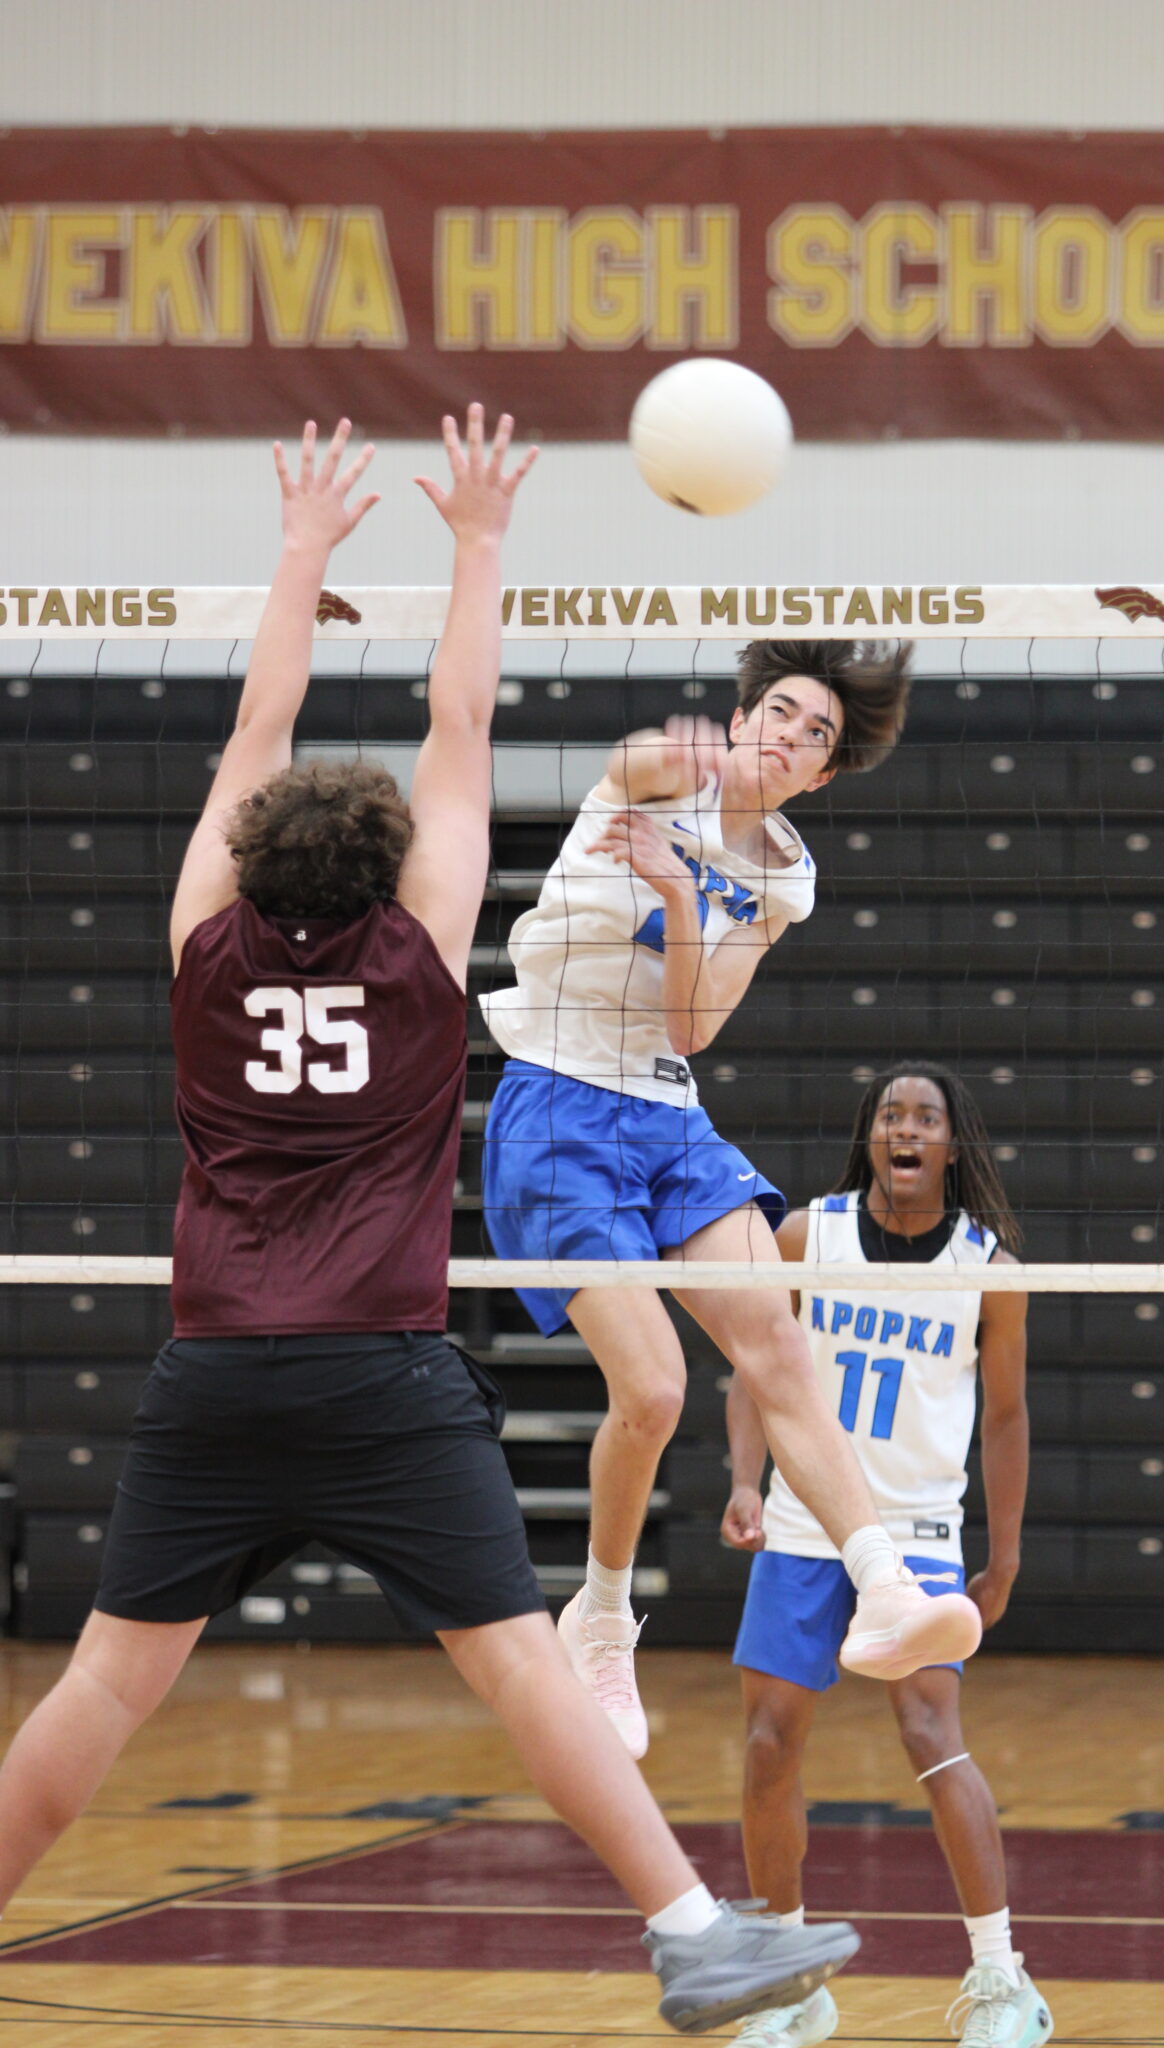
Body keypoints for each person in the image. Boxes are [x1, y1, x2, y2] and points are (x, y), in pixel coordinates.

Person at [0, 413, 861, 2034]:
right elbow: (461, 718)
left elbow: (260, 719)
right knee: (525, 1660)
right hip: (380, 1379)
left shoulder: (198, 951)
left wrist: (302, 550)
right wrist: (476, 540)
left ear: (241, 866)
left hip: (216, 1370)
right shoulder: (422, 957)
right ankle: (689, 1929)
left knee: (106, 1684)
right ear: (399, 877)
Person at [479, 644, 983, 1760]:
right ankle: (602, 1616)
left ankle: (885, 1587)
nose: (792, 738)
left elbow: (693, 1027)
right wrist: (679, 751)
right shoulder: (663, 780)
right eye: (782, 714)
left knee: (781, 1349)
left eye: (815, 738)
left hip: (667, 1110)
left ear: (823, 776)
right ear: (743, 713)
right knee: (653, 1390)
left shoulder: (784, 874)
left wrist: (676, 892)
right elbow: (630, 758)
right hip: (557, 1106)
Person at [721, 1062, 1054, 2048]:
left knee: (928, 1726)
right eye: (890, 1114)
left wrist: (1007, 1554)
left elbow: (1004, 1416)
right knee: (769, 1742)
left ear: (952, 1146)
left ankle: (1003, 1977)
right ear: (870, 1136)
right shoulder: (802, 1236)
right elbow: (753, 1374)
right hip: (802, 1523)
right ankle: (789, 1980)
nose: (906, 1128)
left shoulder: (988, 1268)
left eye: (926, 1116)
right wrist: (745, 1477)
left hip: (915, 1531)